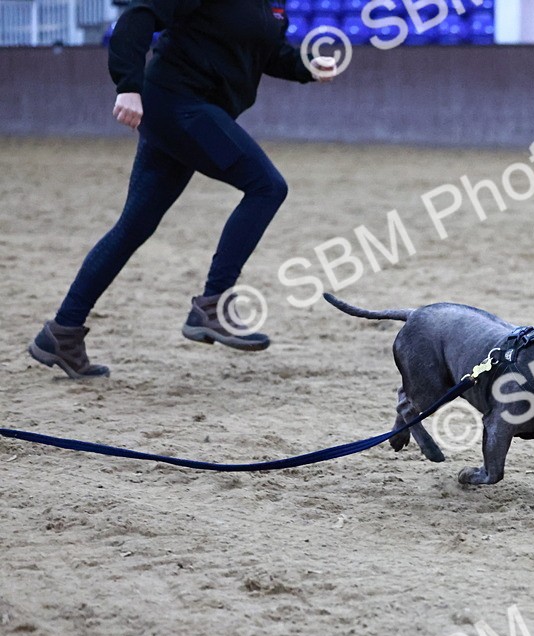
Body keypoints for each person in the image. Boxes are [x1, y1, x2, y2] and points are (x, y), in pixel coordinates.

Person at [29, 0, 337, 379]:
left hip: (191, 110)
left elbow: (267, 53)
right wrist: (128, 85)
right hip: (176, 102)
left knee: (134, 226)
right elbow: (139, 15)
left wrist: (307, 67)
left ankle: (62, 332)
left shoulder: (272, 4)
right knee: (266, 187)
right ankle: (212, 305)